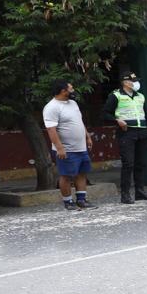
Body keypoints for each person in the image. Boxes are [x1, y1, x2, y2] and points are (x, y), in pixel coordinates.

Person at [102, 72, 147, 204]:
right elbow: (104, 114)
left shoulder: (140, 96)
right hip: (127, 132)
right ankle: (125, 194)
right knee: (128, 163)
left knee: (141, 163)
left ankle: (140, 191)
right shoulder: (116, 96)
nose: (136, 83)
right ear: (126, 82)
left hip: (143, 132)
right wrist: (117, 121)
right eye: (133, 81)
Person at [42, 78, 91, 211]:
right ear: (63, 91)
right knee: (66, 175)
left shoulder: (73, 103)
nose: (73, 90)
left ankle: (81, 200)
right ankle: (68, 201)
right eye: (70, 88)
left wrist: (87, 137)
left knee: (82, 173)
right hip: (66, 149)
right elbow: (51, 129)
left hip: (81, 147)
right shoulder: (52, 107)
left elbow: (79, 122)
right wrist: (60, 148)